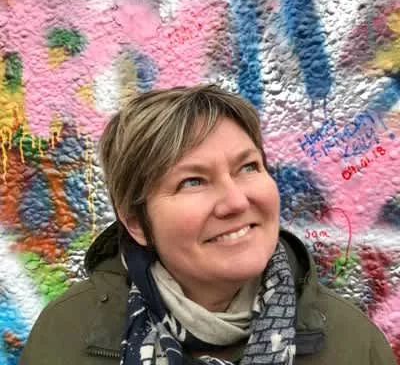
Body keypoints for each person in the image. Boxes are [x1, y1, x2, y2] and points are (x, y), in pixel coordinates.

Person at [20, 85, 396, 365]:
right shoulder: (68, 334)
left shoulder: (352, 344)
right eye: (193, 181)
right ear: (136, 221)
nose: (236, 201)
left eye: (248, 167)